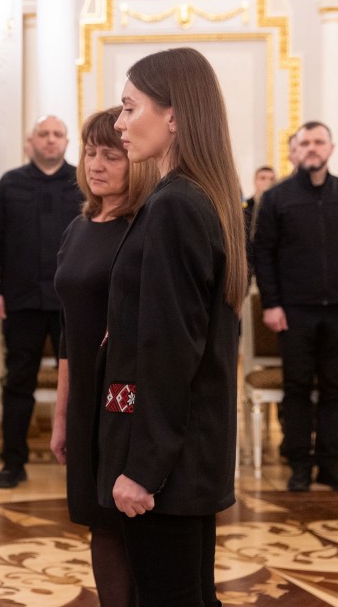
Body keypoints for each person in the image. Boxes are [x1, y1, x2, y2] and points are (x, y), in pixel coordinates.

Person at [102, 47, 247, 606]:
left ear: (174, 115)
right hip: (189, 450)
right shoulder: (200, 195)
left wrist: (143, 469)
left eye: (129, 107)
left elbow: (170, 351)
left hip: (168, 461)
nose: (120, 123)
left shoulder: (175, 205)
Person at [52, 106, 158, 606]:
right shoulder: (78, 228)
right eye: (90, 153)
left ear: (135, 160)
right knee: (99, 520)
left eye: (111, 155)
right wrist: (62, 415)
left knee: (129, 521)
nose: (96, 165)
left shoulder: (144, 229)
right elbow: (69, 333)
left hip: (124, 397)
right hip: (85, 400)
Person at [252, 121, 338, 494]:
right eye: (305, 142)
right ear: (295, 150)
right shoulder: (277, 197)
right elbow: (263, 253)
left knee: (336, 388)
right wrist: (271, 303)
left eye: (318, 142)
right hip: (294, 311)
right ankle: (299, 465)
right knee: (297, 387)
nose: (312, 148)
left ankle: (330, 465)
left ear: (330, 148)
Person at [0, 115, 83, 488]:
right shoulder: (10, 184)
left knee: (79, 384)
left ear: (66, 142)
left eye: (58, 134)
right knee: (18, 383)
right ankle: (12, 462)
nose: (51, 139)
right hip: (21, 301)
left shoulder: (83, 182)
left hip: (72, 304)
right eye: (44, 134)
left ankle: (81, 463)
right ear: (31, 142)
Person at [243, 165, 276, 278]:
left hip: (271, 268)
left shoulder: (279, 209)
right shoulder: (245, 207)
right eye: (263, 178)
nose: (267, 182)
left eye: (272, 179)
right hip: (249, 267)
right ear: (255, 181)